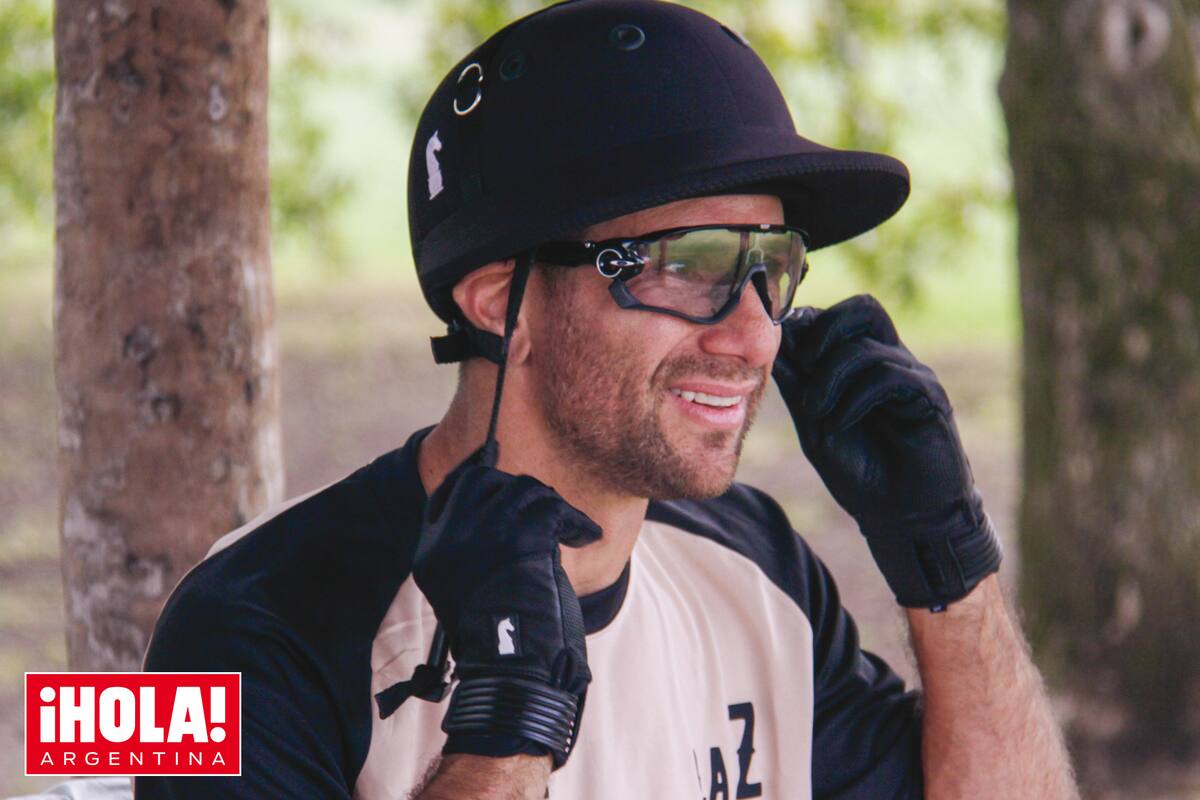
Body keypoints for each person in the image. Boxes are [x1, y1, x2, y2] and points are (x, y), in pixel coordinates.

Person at [137, 1, 1079, 798]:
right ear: (499, 301)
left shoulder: (759, 570)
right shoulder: (245, 624)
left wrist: (948, 564)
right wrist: (507, 722)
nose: (753, 334)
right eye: (688, 266)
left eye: (771, 266)